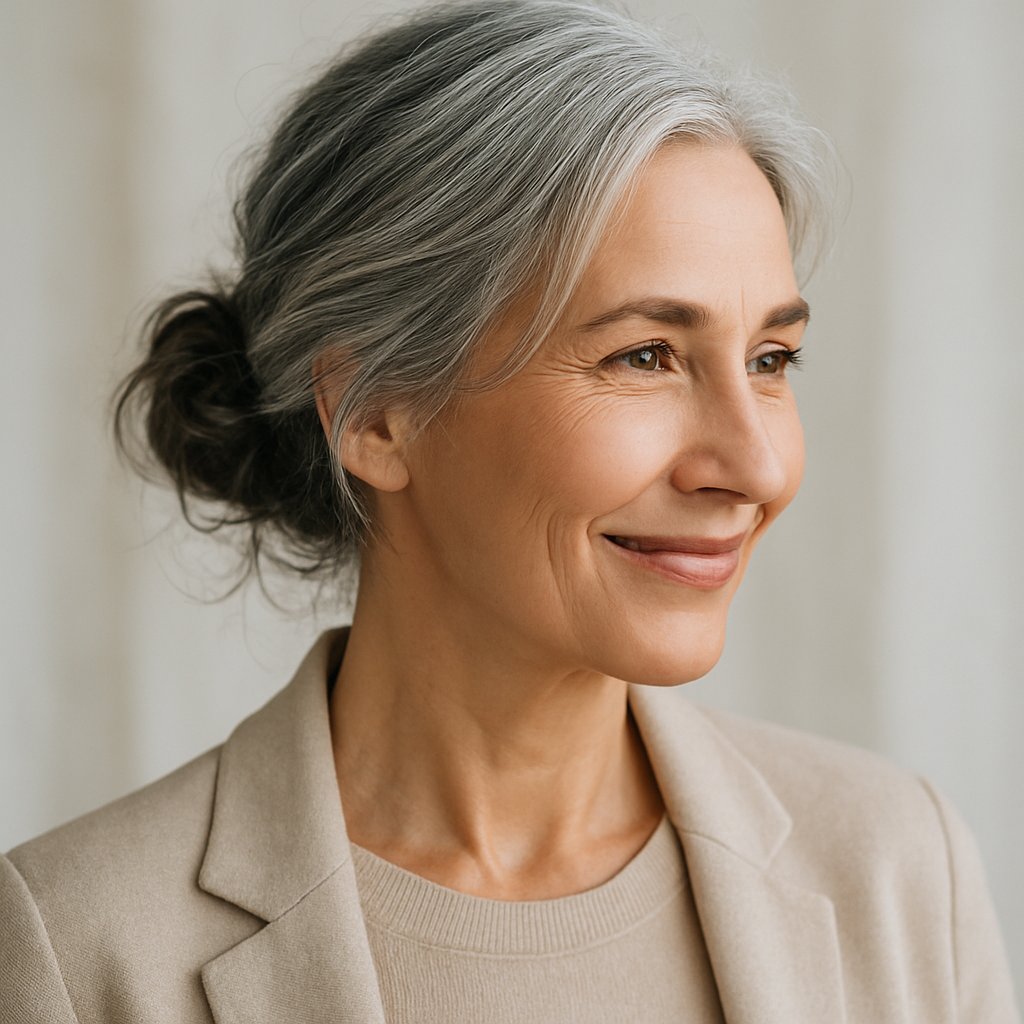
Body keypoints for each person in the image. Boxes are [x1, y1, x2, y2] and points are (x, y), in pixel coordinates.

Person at [1, 1, 1018, 1021]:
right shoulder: (79, 948)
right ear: (379, 416)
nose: (752, 465)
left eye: (768, 360)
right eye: (644, 357)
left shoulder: (896, 868)